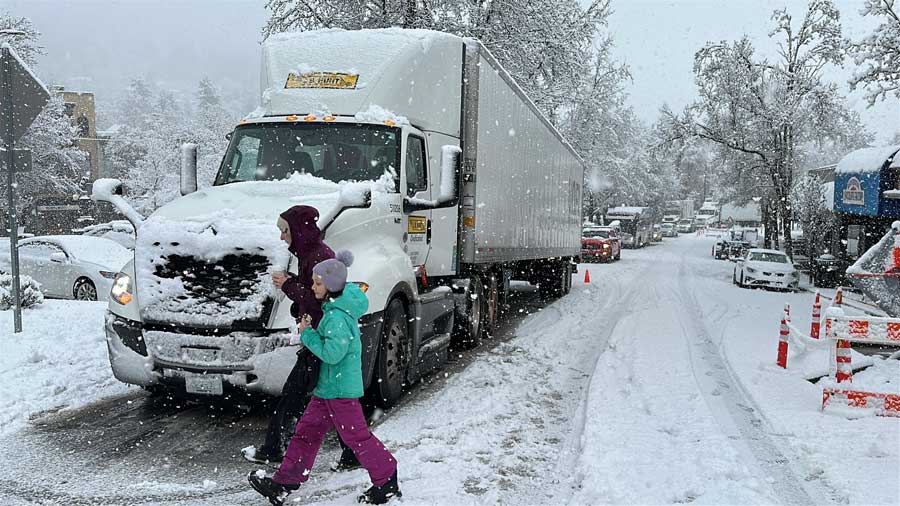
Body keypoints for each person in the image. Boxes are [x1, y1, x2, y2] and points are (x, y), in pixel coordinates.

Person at [248, 251, 401, 505]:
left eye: (318, 283)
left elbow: (332, 353)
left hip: (340, 391)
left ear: (331, 286)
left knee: (357, 438)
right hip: (327, 389)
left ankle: (387, 480)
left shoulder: (338, 317)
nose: (313, 286)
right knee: (305, 434)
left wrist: (307, 334)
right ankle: (283, 484)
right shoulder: (333, 310)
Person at [241, 205, 360, 472]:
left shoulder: (319, 255)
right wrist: (297, 295)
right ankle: (353, 453)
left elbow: (320, 298)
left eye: (285, 231)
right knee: (333, 402)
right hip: (320, 336)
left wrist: (287, 285)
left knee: (295, 396)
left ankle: (274, 449)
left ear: (298, 230)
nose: (283, 237)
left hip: (321, 339)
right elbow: (313, 296)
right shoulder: (310, 253)